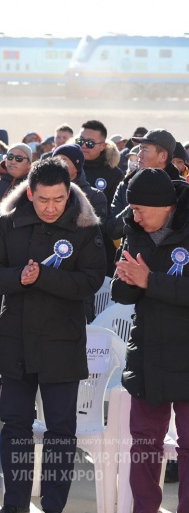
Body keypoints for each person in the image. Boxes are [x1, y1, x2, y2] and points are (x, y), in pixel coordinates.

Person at [0, 158, 106, 513]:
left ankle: (53, 506)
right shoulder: (8, 223)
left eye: (59, 199)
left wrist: (44, 278)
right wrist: (19, 277)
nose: (51, 207)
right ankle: (14, 504)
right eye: (43, 199)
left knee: (61, 432)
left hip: (62, 344)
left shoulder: (85, 226)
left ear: (70, 194)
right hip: (16, 341)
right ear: (30, 193)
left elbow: (92, 281)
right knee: (15, 426)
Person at [111, 167, 189, 512]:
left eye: (141, 209)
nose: (135, 216)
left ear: (167, 206)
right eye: (133, 209)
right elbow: (122, 293)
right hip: (148, 355)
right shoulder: (134, 230)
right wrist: (129, 281)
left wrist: (149, 281)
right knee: (144, 444)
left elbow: (150, 283)